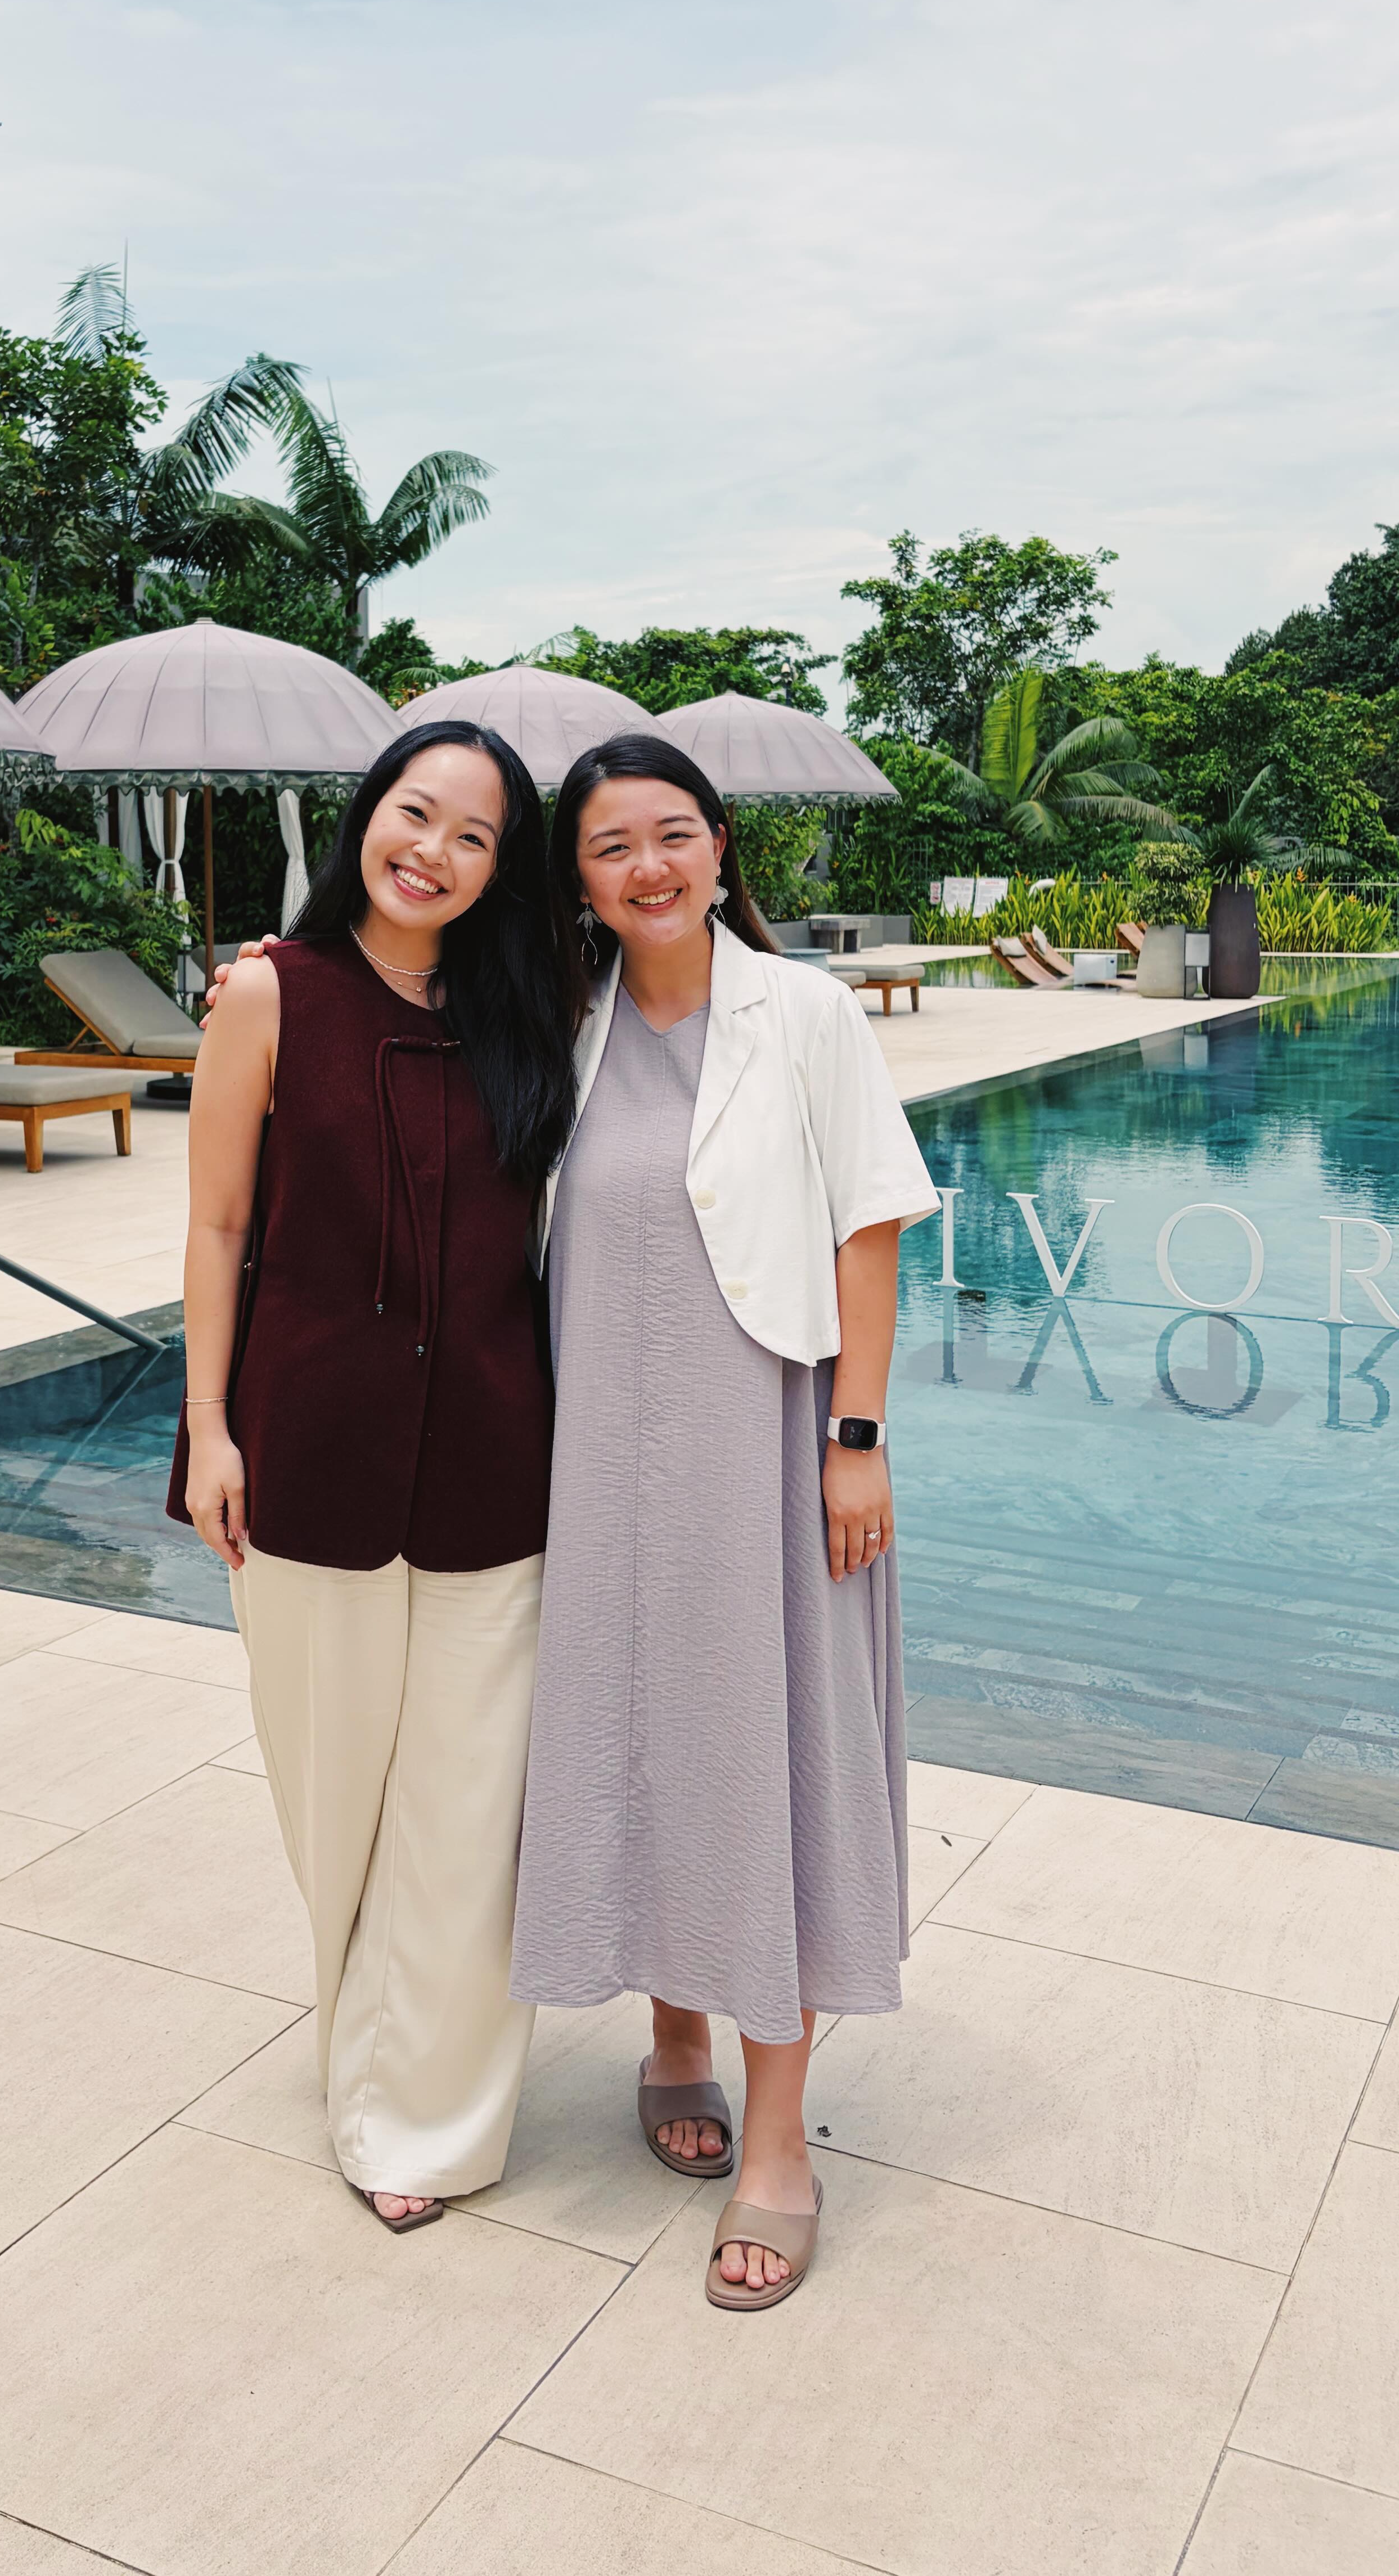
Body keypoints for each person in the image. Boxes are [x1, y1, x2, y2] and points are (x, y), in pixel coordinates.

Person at [510, 736, 938, 2310]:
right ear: (578, 879)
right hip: (601, 1458)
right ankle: (670, 2025)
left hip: (766, 1440)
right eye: (612, 845)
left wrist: (858, 1439)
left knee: (766, 1756)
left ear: (719, 843)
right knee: (638, 1730)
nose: (650, 867)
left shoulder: (803, 1013)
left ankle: (777, 2136)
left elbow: (870, 1223)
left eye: (672, 834)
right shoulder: (566, 1020)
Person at [171, 723, 575, 2232]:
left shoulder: (532, 1005)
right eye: (419, 815)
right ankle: (368, 2047)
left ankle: (422, 2121)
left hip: (495, 1454)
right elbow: (217, 1227)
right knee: (334, 1794)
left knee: (472, 1809)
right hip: (309, 1445)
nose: (438, 853)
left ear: (500, 868)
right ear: (369, 817)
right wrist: (209, 1425)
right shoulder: (271, 992)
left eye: (477, 837)